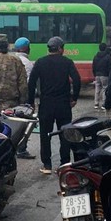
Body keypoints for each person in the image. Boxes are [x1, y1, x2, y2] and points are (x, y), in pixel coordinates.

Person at [28, 36, 81, 175]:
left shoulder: (40, 62)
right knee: (65, 134)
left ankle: (47, 165)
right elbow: (77, 79)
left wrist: (30, 102)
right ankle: (64, 164)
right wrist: (74, 97)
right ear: (59, 49)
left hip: (46, 104)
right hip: (64, 104)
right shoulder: (67, 62)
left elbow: (31, 82)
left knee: (45, 135)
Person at [13, 37, 35, 159]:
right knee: (25, 124)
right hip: (23, 99)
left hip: (10, 97)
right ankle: (21, 149)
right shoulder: (27, 63)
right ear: (27, 48)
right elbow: (29, 85)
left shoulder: (12, 59)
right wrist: (30, 102)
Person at [92, 43, 111, 109]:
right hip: (105, 75)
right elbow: (109, 67)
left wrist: (94, 74)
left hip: (97, 75)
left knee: (97, 89)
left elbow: (93, 66)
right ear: (105, 48)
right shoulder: (108, 57)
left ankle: (96, 104)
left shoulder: (95, 56)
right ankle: (103, 104)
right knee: (104, 89)